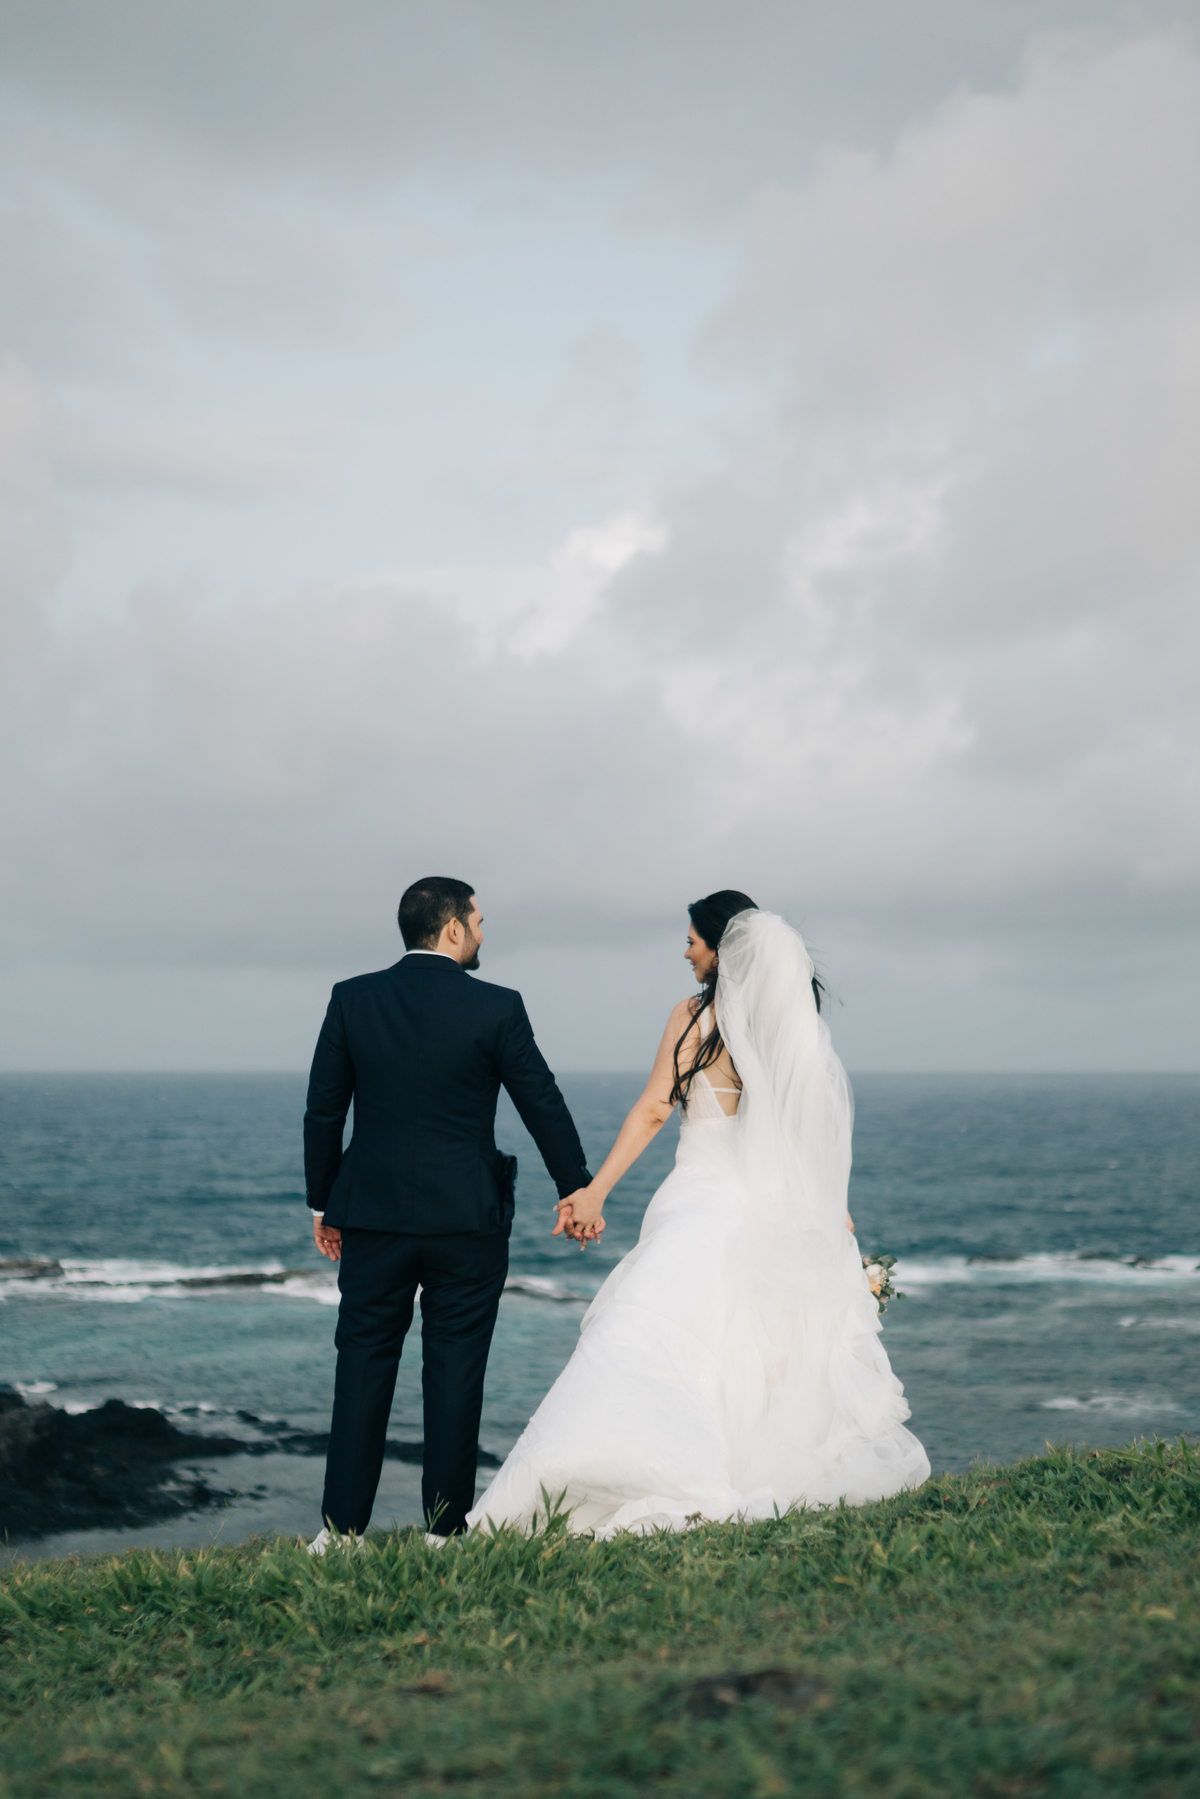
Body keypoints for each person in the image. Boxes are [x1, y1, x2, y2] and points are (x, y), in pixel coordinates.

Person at [467, 891, 930, 1537]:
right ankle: (737, 1469)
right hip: (771, 1203)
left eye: (692, 939)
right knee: (751, 1345)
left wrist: (595, 1190)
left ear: (723, 945)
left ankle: (638, 1470)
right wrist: (832, 1207)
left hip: (705, 1194)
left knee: (657, 1331)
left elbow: (656, 1107)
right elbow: (806, 1126)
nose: (685, 951)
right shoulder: (786, 1020)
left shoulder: (695, 1016)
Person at [304, 877, 591, 1551]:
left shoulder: (353, 998)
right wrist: (574, 1185)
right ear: (454, 928)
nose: (484, 933)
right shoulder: (497, 1007)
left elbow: (324, 1109)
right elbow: (541, 1101)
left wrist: (324, 1201)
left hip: (370, 1216)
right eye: (480, 921)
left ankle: (341, 1533)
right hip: (467, 1219)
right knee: (456, 1365)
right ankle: (443, 1532)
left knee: (363, 1363)